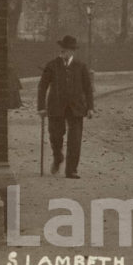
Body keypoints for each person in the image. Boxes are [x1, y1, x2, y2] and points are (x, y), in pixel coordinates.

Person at [37, 35, 95, 179]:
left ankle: (71, 170)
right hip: (55, 107)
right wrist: (41, 107)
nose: (65, 51)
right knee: (55, 136)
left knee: (75, 139)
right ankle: (58, 157)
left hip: (76, 108)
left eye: (68, 49)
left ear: (73, 51)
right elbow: (42, 87)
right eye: (63, 49)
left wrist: (90, 107)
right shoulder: (52, 65)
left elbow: (88, 88)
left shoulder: (81, 66)